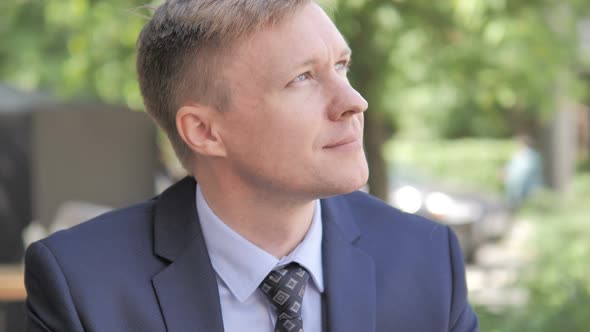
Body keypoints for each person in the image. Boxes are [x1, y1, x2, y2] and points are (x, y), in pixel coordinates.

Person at [24, 1, 479, 331]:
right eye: (302, 78)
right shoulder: (82, 284)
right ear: (203, 131)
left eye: (341, 66)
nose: (354, 102)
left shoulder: (426, 259)